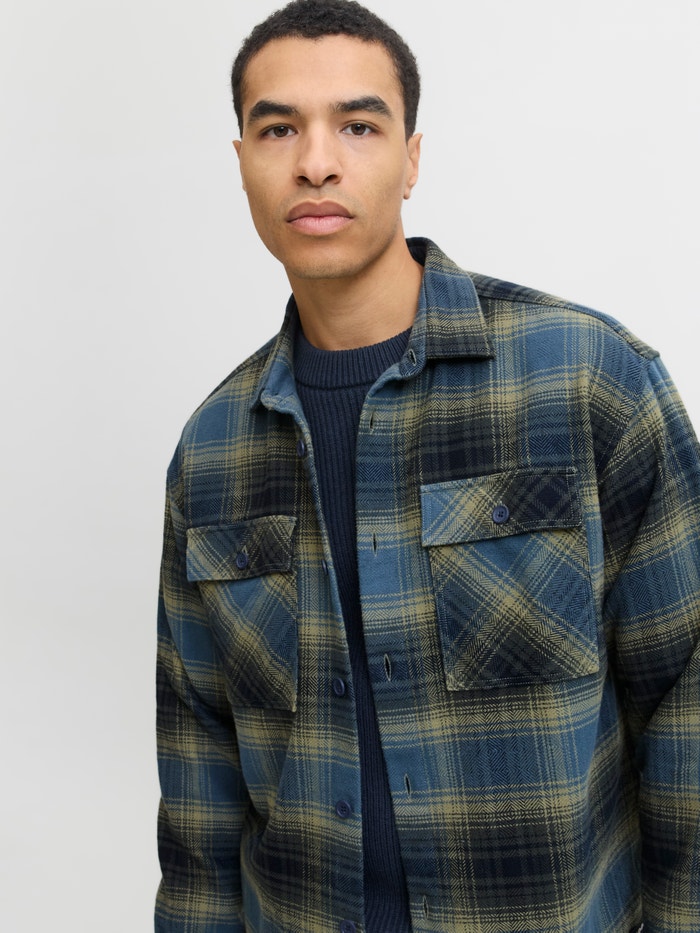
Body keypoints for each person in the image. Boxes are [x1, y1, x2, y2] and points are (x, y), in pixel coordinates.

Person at [154, 1, 700, 930]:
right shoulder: (211, 453)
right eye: (278, 128)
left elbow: (686, 696)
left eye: (358, 126)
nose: (315, 161)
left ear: (411, 158)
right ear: (241, 160)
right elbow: (201, 803)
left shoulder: (587, 379)